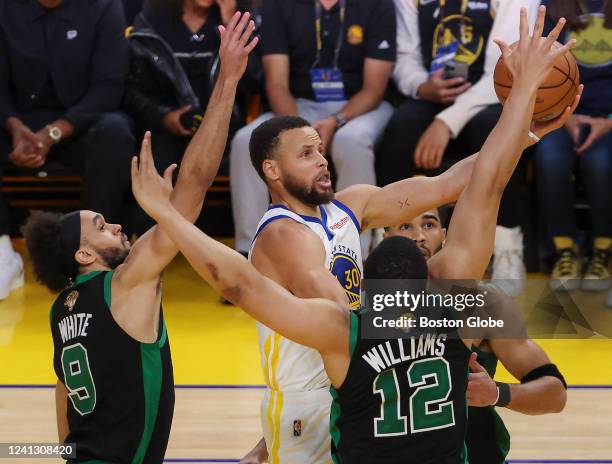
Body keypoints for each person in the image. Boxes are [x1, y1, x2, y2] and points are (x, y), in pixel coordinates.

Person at [131, 7, 579, 462]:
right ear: (273, 170)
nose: (323, 160)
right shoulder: (281, 234)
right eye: (306, 154)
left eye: (320, 149)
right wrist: (436, 304)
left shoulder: (353, 203)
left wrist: (525, 132)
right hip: (309, 400)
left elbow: (453, 183)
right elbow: (341, 307)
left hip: (361, 373)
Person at [21, 14, 258, 463]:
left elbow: (62, 390)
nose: (115, 226)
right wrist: (228, 80)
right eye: (100, 225)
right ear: (84, 253)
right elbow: (197, 180)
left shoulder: (61, 310)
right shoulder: (126, 283)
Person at [376, 0, 541, 297]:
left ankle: (507, 248)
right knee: (399, 131)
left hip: (492, 93)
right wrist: (421, 85)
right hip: (433, 91)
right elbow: (405, 57)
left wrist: (446, 122)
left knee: (498, 134)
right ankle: (387, 245)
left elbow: (505, 68)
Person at [385, 209, 567, 464]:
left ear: (444, 235)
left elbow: (555, 394)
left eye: (429, 224)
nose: (419, 236)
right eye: (405, 227)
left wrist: (497, 394)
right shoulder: (360, 302)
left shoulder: (485, 303)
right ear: (384, 236)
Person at [230, 0, 398, 257]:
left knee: (351, 141)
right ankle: (250, 252)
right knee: (246, 140)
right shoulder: (277, 6)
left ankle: (355, 253)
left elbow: (373, 90)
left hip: (360, 106)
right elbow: (276, 84)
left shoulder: (378, 5)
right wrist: (302, 133)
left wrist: (336, 121)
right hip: (297, 105)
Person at [0, 0, 135, 300]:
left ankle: (99, 251)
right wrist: (14, 127)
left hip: (79, 123)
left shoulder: (104, 7)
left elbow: (109, 85)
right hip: (16, 125)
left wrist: (54, 132)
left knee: (115, 133)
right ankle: (2, 249)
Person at [124, 0, 263, 233]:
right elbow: (131, 90)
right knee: (155, 157)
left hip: (225, 129)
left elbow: (256, 82)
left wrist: (232, 22)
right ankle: (148, 256)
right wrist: (164, 117)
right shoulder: (151, 21)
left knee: (246, 148)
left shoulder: (243, 20)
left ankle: (245, 251)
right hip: (166, 130)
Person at [535, 0, 612, 292]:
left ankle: (602, 249)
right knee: (549, 159)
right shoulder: (551, 5)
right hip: (562, 115)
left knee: (600, 162)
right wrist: (562, 115)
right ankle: (564, 249)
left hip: (608, 118)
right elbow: (540, 70)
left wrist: (609, 121)